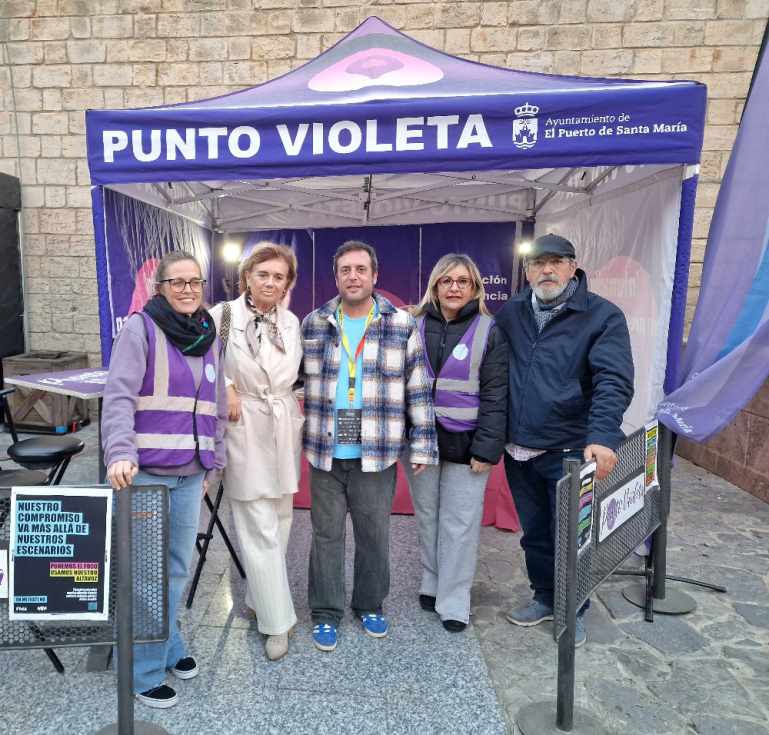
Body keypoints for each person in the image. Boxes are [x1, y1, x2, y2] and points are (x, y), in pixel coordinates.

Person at [495, 233, 634, 647]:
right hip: (519, 448)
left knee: (573, 537)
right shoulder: (512, 312)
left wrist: (603, 436)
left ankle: (573, 609)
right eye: (538, 263)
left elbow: (613, 380)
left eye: (556, 262)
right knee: (535, 533)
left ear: (573, 267)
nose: (547, 270)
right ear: (527, 270)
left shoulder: (602, 316)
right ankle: (544, 597)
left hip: (569, 450)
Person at [102, 251, 227, 708]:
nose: (188, 289)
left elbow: (216, 403)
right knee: (148, 577)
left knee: (176, 569)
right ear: (161, 288)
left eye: (195, 281)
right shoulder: (141, 329)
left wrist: (213, 461)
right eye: (178, 282)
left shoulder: (207, 333)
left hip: (192, 472)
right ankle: (144, 672)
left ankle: (168, 644)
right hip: (147, 475)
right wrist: (120, 452)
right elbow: (118, 396)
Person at [302, 240, 438, 652]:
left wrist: (423, 444)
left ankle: (369, 604)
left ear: (374, 275)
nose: (353, 276)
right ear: (336, 276)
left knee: (374, 534)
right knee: (325, 536)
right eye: (345, 269)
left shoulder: (401, 324)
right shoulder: (314, 323)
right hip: (325, 451)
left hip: (376, 452)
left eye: (361, 269)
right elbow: (291, 380)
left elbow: (418, 386)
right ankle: (326, 611)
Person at [209, 242, 303, 662]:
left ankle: (260, 598)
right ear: (247, 275)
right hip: (242, 422)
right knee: (256, 522)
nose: (270, 282)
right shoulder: (222, 316)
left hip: (283, 422)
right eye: (263, 274)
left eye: (279, 277)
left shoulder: (291, 321)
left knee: (280, 518)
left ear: (288, 283)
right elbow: (203, 365)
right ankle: (277, 622)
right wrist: (227, 387)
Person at [404, 254, 507, 632]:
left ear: (475, 288)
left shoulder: (490, 330)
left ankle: (454, 599)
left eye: (463, 281)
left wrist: (487, 448)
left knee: (459, 524)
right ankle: (432, 581)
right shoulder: (412, 325)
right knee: (428, 516)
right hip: (421, 440)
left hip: (467, 443)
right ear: (435, 286)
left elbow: (497, 394)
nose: (454, 288)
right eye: (446, 280)